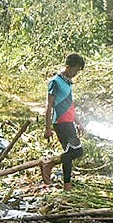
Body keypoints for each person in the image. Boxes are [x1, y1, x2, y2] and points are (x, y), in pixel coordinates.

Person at [43, 53, 85, 188]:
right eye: (75, 70)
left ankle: (67, 184)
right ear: (68, 67)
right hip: (61, 122)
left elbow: (70, 105)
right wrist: (47, 127)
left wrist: (78, 122)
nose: (76, 73)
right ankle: (50, 163)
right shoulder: (55, 82)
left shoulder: (68, 82)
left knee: (70, 152)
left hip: (69, 121)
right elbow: (49, 106)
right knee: (76, 151)